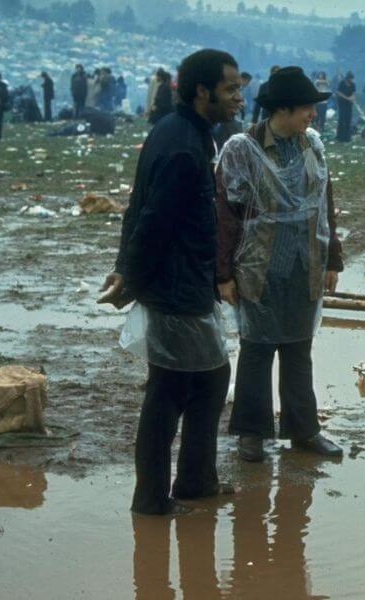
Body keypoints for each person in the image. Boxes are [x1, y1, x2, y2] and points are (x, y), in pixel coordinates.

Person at [97, 48, 243, 515]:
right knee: (177, 390)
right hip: (177, 288)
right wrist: (132, 280)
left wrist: (127, 268)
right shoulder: (183, 145)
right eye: (230, 89)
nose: (239, 98)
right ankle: (158, 497)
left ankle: (189, 484)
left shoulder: (179, 132)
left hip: (180, 282)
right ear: (203, 91)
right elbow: (154, 219)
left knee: (192, 383)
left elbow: (136, 207)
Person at [214, 65, 345, 462]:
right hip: (259, 262)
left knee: (298, 348)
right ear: (282, 110)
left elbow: (324, 202)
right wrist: (222, 275)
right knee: (257, 348)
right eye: (306, 107)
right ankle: (252, 433)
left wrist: (332, 259)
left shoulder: (313, 146)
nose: (313, 115)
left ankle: (304, 430)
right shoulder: (243, 148)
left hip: (305, 259)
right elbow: (224, 214)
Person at [335, 71, 356, 142]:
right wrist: (347, 98)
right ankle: (339, 136)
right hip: (342, 103)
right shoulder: (342, 83)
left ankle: (347, 137)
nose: (351, 80)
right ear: (347, 78)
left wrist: (352, 98)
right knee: (341, 119)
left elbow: (353, 93)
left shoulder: (353, 85)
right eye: (350, 78)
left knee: (348, 119)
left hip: (349, 104)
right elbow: (338, 92)